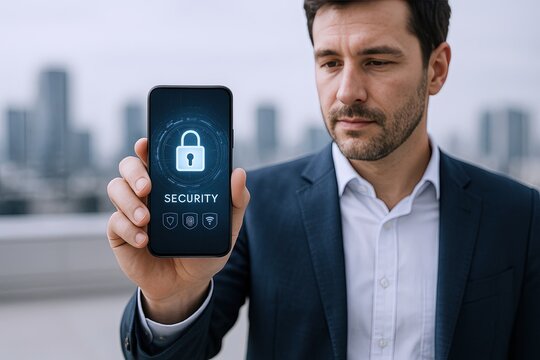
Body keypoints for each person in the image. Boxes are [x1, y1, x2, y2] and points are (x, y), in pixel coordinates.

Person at [106, 1, 540, 359]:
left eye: (377, 61)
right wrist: (168, 302)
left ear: (437, 69)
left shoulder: (520, 217)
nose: (347, 91)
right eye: (330, 62)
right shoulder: (254, 205)